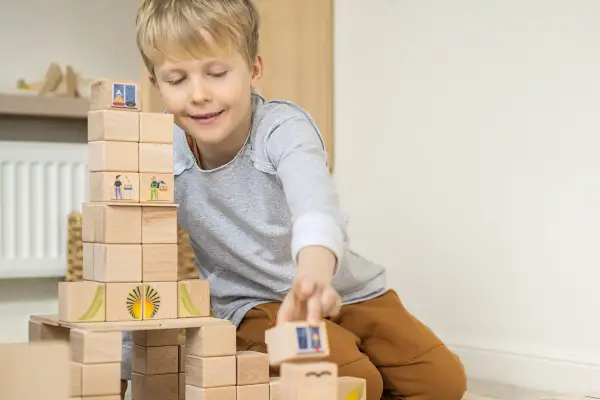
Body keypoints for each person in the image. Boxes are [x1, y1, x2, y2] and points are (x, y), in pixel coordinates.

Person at [122, 0, 468, 399]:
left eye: (217, 73)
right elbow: (136, 265)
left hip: (339, 288)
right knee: (355, 382)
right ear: (156, 85)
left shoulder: (282, 128)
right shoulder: (159, 158)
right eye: (177, 79)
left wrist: (313, 276)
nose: (199, 94)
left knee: (442, 382)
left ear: (254, 69)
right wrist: (124, 369)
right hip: (252, 303)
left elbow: (315, 204)